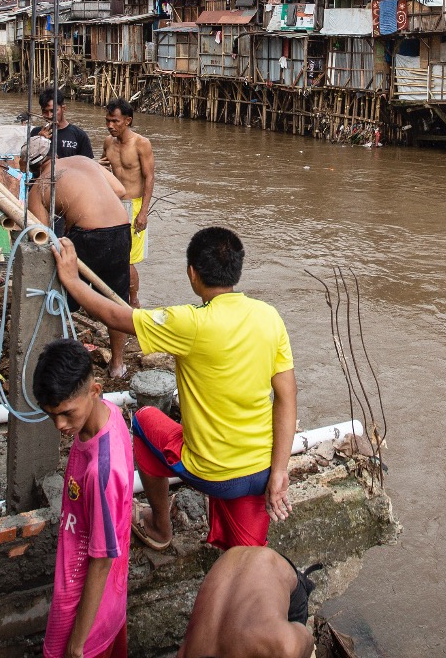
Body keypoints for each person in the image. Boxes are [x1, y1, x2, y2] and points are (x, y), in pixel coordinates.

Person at [54, 227, 296, 551]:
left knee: (143, 419)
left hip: (215, 473)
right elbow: (287, 395)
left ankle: (159, 526)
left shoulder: (189, 323)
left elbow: (114, 314)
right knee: (246, 552)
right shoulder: (270, 317)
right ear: (237, 270)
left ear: (192, 274)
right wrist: (280, 472)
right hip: (265, 468)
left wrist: (71, 281)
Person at [33, 338, 132, 658]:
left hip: (82, 612)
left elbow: (101, 560)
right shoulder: (108, 416)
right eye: (51, 415)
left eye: (65, 413)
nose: (60, 425)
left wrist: (76, 645)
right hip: (109, 604)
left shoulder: (101, 471)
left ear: (95, 390)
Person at [27, 137, 135, 380]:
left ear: (33, 167)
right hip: (121, 228)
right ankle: (118, 365)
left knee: (61, 296)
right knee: (117, 298)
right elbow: (120, 190)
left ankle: (63, 357)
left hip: (89, 235)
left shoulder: (41, 185)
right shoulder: (84, 160)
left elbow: (41, 237)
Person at [177, 546, 317, 658]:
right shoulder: (186, 653)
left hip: (271, 564)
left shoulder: (281, 646)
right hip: (231, 559)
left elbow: (307, 640)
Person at [101, 99, 154, 305]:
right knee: (110, 255)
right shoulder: (108, 142)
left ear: (128, 121)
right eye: (107, 121)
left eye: (115, 121)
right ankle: (113, 296)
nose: (110, 126)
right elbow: (103, 167)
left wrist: (143, 212)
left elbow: (149, 177)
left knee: (128, 259)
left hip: (134, 205)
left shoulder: (142, 144)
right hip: (112, 204)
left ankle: (133, 302)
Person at [40, 87, 94, 159]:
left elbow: (87, 165)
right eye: (45, 112)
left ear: (64, 108)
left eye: (53, 111)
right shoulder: (37, 134)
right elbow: (24, 166)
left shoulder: (79, 135)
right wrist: (39, 142)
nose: (49, 115)